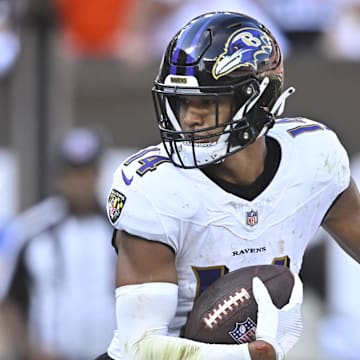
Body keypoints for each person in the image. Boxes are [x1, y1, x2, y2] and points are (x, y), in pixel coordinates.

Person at [98, 11, 360, 360]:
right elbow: (140, 346)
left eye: (206, 102)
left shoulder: (314, 159)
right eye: (181, 102)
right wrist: (249, 356)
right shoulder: (155, 189)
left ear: (257, 101)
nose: (189, 117)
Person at [3, 127, 117, 360]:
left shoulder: (121, 230)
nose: (80, 183)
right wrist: (29, 349)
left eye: (86, 173)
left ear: (98, 174)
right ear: (60, 177)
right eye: (72, 174)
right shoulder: (33, 229)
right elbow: (11, 301)